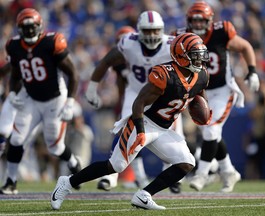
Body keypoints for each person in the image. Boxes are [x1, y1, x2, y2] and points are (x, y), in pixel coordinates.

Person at [51, 32, 210, 210]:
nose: (200, 60)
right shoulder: (165, 74)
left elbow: (199, 95)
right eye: (195, 56)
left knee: (186, 162)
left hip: (164, 128)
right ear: (181, 56)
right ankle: (67, 182)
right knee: (115, 165)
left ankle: (144, 195)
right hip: (144, 122)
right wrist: (141, 130)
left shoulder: (202, 75)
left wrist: (204, 111)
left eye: (201, 55)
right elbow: (139, 103)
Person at [86, 11, 183, 193]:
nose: (152, 35)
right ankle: (111, 174)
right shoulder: (128, 43)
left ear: (161, 30)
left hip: (162, 94)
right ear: (139, 30)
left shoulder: (171, 45)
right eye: (147, 30)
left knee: (172, 132)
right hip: (136, 91)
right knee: (124, 128)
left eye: (155, 31)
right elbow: (106, 61)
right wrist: (92, 87)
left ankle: (172, 173)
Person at [173, 1, 260, 192]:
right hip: (199, 91)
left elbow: (245, 46)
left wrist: (252, 71)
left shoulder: (222, 31)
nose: (197, 24)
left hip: (222, 90)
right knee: (211, 132)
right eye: (194, 20)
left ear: (210, 20)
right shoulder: (182, 36)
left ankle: (202, 174)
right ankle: (228, 171)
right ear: (188, 20)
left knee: (210, 131)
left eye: (201, 20)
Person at [0, 8, 81, 194]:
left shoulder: (51, 42)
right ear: (19, 28)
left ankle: (73, 162)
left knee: (54, 146)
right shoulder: (13, 45)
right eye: (25, 27)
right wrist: (12, 93)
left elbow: (73, 73)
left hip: (55, 98)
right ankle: (10, 182)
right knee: (17, 139)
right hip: (31, 98)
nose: (29, 31)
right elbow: (15, 73)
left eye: (32, 27)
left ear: (40, 26)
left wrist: (69, 101)